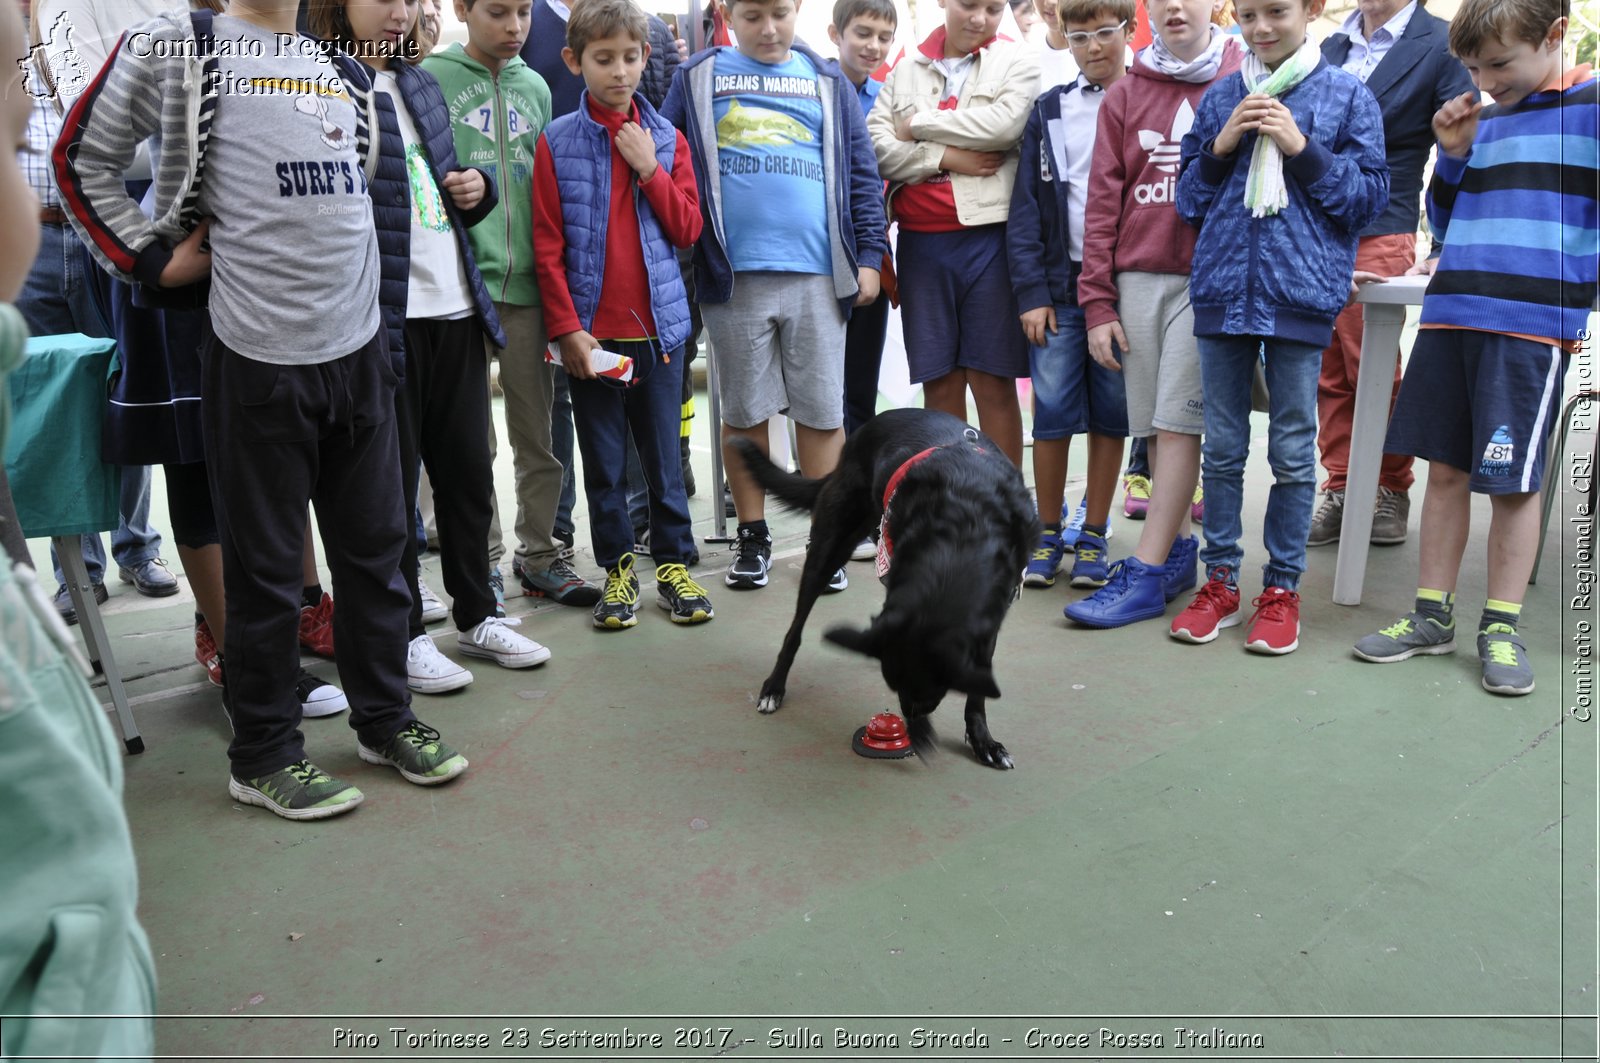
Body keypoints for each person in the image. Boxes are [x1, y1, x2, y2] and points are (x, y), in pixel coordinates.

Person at [57, 0, 472, 819]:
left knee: (376, 556)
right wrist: (148, 259)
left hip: (357, 357)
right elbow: (80, 160)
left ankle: (383, 717)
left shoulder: (343, 68)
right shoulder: (183, 46)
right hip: (255, 357)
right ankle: (264, 754)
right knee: (267, 573)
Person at [313, 0, 556, 694]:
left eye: (408, 1)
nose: (399, 14)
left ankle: (478, 613)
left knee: (468, 475)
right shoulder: (325, 80)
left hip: (455, 305)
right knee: (388, 490)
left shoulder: (419, 83)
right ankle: (406, 630)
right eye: (382, 1)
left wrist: (474, 193)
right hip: (386, 317)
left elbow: (444, 190)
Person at [1353, 0, 1594, 695]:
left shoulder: (1591, 105)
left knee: (1514, 483)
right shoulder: (1476, 119)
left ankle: (1502, 624)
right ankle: (1432, 615)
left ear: (1555, 36)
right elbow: (1443, 219)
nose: (1486, 80)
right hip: (1453, 313)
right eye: (1473, 67)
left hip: (1530, 325)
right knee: (1446, 470)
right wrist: (1452, 156)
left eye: (1500, 64)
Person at [1170, 0, 1388, 654]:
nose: (1262, 28)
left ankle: (1283, 588)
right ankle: (1223, 583)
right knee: (1224, 448)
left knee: (1294, 451)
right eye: (1250, 15)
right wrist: (1221, 145)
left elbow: (1367, 202)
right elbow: (1186, 200)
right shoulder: (1219, 99)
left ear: (1312, 10)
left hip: (1301, 295)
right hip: (1221, 296)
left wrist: (1301, 146)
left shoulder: (1349, 96)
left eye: (1278, 12)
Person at [663, 0, 886, 592]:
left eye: (780, 14)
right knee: (743, 411)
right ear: (728, 14)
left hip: (817, 275)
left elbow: (862, 175)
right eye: (754, 15)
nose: (769, 28)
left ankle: (826, 540)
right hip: (732, 277)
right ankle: (753, 537)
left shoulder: (827, 78)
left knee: (820, 411)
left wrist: (869, 257)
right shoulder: (698, 77)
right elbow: (670, 160)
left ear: (798, 13)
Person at [1060, 0, 1242, 625]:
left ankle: (1142, 569)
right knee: (1155, 429)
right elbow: (1101, 205)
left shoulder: (1245, 75)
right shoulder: (1125, 92)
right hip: (1137, 278)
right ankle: (1175, 558)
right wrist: (1098, 302)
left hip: (1209, 277)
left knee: (1176, 424)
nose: (1173, 6)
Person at [532, 0, 712, 630]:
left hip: (658, 335)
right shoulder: (556, 142)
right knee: (603, 464)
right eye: (603, 59)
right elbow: (548, 247)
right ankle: (615, 570)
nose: (619, 71)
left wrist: (649, 168)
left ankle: (674, 564)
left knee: (664, 461)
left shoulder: (666, 138)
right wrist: (568, 331)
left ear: (645, 58)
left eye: (630, 57)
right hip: (593, 342)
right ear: (574, 61)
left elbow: (688, 226)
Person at [423, 0, 596, 616]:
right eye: (498, 12)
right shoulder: (432, 78)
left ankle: (542, 555)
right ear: (462, 10)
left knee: (539, 435)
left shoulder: (539, 86)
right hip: (460, 290)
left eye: (522, 12)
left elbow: (547, 193)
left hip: (529, 291)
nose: (515, 27)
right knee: (472, 445)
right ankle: (482, 564)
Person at [1307, 0, 1475, 549]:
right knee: (1326, 365)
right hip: (1315, 224)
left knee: (1369, 362)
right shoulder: (1330, 45)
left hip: (1383, 219)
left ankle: (1389, 486)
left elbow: (1467, 146)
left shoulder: (1442, 41)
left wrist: (1449, 240)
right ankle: (1340, 483)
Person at [869, 0, 1040, 470]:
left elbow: (1004, 126)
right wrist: (946, 156)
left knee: (992, 380)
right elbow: (878, 148)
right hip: (922, 246)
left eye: (993, 7)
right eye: (969, 4)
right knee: (940, 382)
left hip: (989, 240)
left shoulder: (1017, 61)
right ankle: (951, 501)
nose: (980, 18)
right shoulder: (905, 68)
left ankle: (1002, 506)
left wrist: (919, 127)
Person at [1008, 0, 1134, 590]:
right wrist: (1032, 291)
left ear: (1130, 29)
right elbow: (1025, 210)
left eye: (1106, 32)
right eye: (1079, 36)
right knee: (1053, 411)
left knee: (1114, 413)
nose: (1093, 47)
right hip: (1059, 289)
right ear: (1064, 38)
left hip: (1124, 290)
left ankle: (1096, 533)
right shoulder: (1050, 110)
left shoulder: (1148, 100)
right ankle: (1047, 529)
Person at [828, 0, 896, 443]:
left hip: (872, 253)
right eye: (863, 33)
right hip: (821, 256)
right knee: (820, 393)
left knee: (860, 389)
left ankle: (862, 493)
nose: (873, 46)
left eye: (884, 37)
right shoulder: (814, 87)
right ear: (836, 34)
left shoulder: (888, 98)